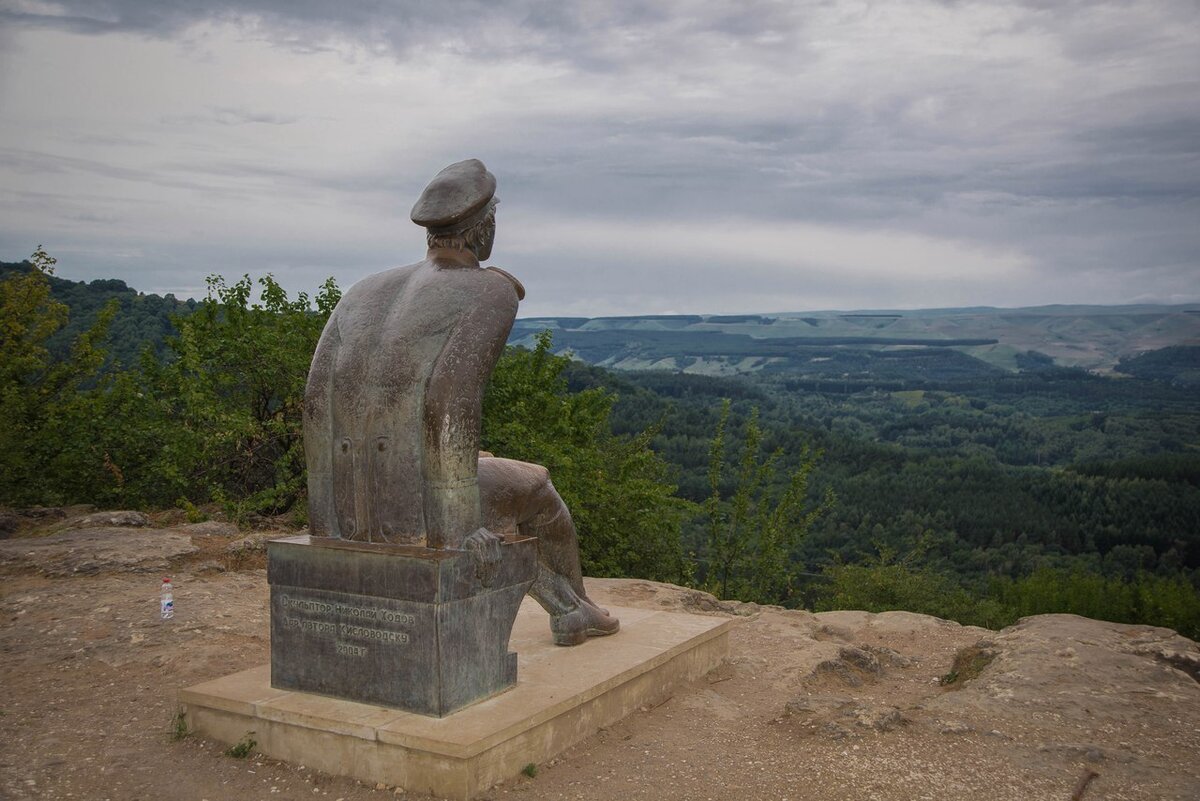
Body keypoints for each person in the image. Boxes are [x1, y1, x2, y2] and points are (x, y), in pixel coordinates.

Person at [304, 159, 617, 645]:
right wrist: (457, 529)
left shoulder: (362, 291)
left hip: (347, 509)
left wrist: (327, 531)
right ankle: (578, 607)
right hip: (416, 510)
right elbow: (450, 403)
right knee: (536, 488)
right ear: (485, 229)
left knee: (487, 473)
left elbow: (315, 406)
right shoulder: (489, 291)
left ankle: (567, 607)